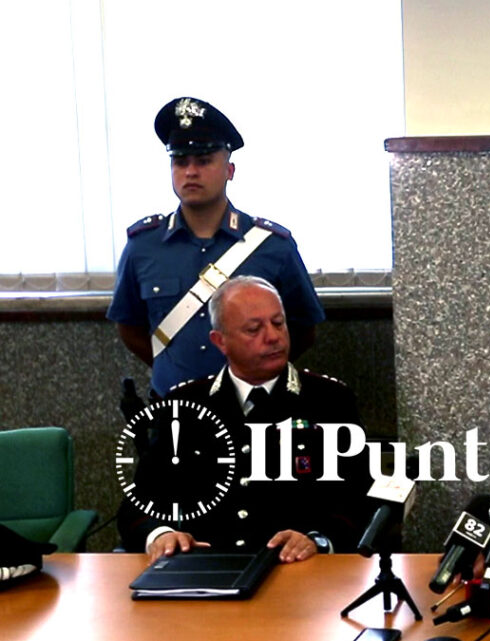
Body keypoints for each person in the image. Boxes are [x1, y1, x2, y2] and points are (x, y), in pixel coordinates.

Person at [118, 276, 371, 563]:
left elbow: (361, 497)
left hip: (296, 569)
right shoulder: (185, 404)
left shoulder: (329, 400)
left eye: (278, 323)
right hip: (205, 568)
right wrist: (160, 535)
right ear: (220, 341)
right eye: (254, 329)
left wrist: (319, 539)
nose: (273, 337)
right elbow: (139, 503)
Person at [108, 96, 324, 398]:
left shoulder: (272, 247)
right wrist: (172, 370)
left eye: (204, 160)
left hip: (252, 405)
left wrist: (258, 371)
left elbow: (303, 329)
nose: (190, 172)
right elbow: (129, 327)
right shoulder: (143, 246)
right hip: (173, 407)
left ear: (229, 170)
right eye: (180, 162)